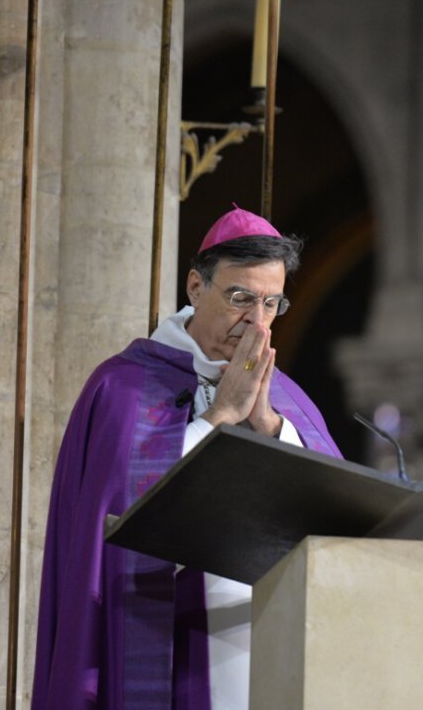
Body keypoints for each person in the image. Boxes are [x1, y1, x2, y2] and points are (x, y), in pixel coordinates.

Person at [32, 206, 343, 710]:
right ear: (196, 288)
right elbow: (119, 524)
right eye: (240, 298)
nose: (256, 323)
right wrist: (219, 418)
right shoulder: (123, 386)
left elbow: (336, 512)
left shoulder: (287, 400)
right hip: (159, 628)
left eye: (272, 304)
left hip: (263, 636)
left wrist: (269, 426)